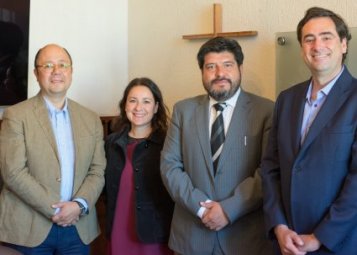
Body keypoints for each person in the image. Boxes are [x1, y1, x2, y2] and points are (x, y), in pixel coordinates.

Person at [160, 37, 274, 255]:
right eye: (211, 66)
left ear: (240, 68)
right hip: (192, 236)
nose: (219, 73)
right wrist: (202, 209)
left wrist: (229, 210)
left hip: (245, 239)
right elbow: (170, 166)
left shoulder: (266, 111)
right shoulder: (183, 110)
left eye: (227, 65)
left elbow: (268, 171)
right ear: (202, 72)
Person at [262, 7, 357, 255]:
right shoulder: (286, 99)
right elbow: (271, 168)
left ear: (344, 44)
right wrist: (278, 225)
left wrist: (320, 237)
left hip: (339, 243)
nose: (317, 46)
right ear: (302, 49)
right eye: (309, 39)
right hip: (286, 242)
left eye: (326, 37)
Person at [0, 44, 106, 254]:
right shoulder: (16, 115)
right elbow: (13, 172)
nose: (56, 71)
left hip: (78, 228)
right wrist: (57, 210)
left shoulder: (91, 119)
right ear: (36, 73)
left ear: (71, 71)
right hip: (29, 228)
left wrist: (78, 205)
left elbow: (97, 170)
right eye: (48, 65)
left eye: (62, 64)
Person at [105, 77, 174, 255]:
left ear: (156, 107)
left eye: (146, 101)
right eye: (132, 101)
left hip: (155, 232)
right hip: (118, 227)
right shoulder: (111, 143)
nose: (138, 108)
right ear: (125, 105)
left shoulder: (168, 144)